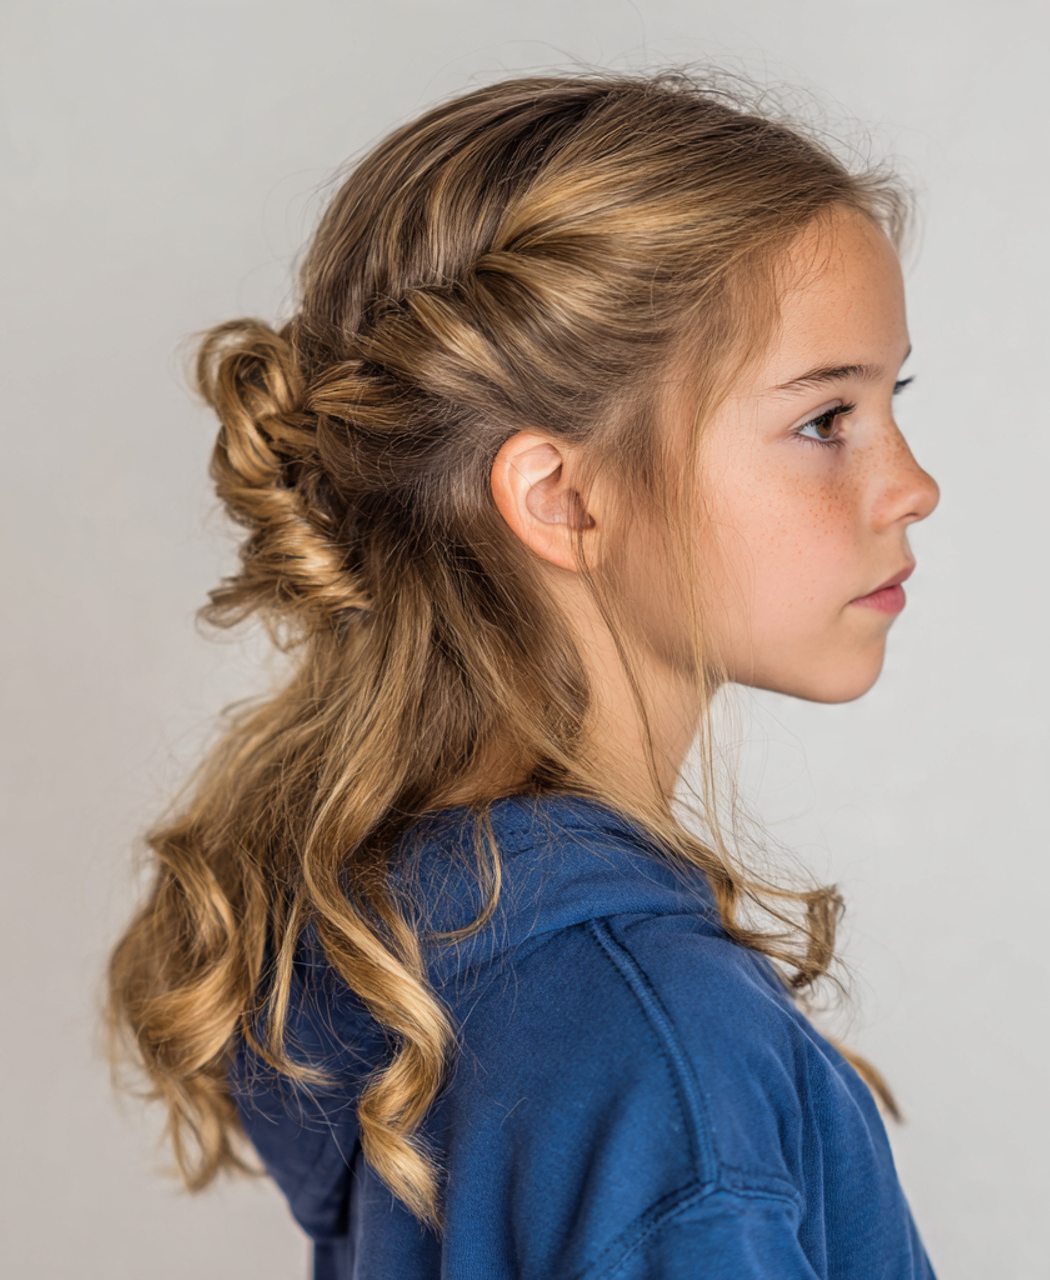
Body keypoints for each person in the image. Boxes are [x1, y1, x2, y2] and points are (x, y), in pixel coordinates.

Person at [107, 70, 941, 1279]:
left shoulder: (413, 963)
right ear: (560, 495)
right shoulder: (661, 1047)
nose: (911, 484)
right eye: (825, 419)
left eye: (891, 400)